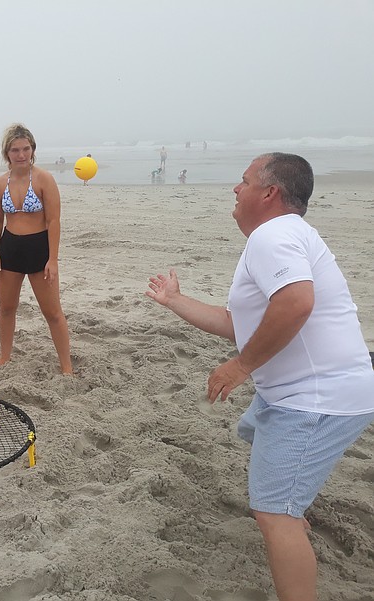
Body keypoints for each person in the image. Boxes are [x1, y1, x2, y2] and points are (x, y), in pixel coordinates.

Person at [146, 153, 374, 601]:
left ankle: (290, 514)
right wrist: (175, 300)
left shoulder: (273, 235)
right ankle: (294, 501)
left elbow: (296, 303)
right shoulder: (286, 235)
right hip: (304, 393)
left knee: (273, 514)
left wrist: (241, 365)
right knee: (253, 430)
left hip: (315, 398)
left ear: (269, 193)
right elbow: (241, 323)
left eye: (244, 180)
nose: (235, 188)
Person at [0, 123, 73, 374]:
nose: (21, 154)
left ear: (33, 149)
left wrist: (53, 259)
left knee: (53, 312)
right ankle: (5, 356)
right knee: (6, 307)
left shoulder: (44, 179)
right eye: (15, 150)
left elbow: (54, 220)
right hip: (10, 248)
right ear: (7, 153)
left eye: (26, 148)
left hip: (39, 249)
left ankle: (67, 367)